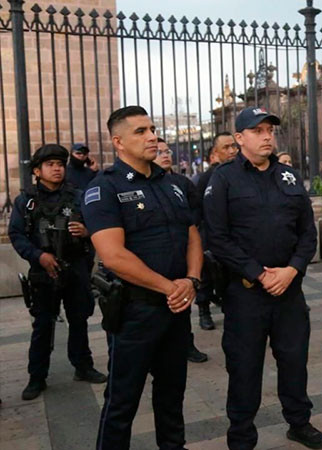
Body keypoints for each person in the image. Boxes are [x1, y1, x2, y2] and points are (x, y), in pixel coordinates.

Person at [204, 107, 322, 450]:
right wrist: (258, 273)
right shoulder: (224, 178)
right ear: (240, 138)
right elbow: (217, 237)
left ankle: (299, 423)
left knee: (294, 360)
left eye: (270, 130)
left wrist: (291, 270)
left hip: (288, 290)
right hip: (246, 294)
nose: (266, 136)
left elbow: (307, 232)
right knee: (244, 367)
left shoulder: (288, 177)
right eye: (257, 131)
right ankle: (242, 435)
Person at [86, 106, 202, 449]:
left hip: (176, 309)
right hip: (135, 313)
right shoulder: (103, 188)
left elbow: (192, 235)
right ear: (118, 142)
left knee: (171, 396)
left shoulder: (173, 185)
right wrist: (171, 288)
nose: (152, 136)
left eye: (152, 128)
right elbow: (113, 256)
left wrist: (191, 281)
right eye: (141, 131)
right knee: (122, 400)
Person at [8, 144, 107, 401]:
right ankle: (37, 377)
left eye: (60, 164)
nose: (57, 169)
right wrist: (39, 256)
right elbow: (17, 235)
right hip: (43, 271)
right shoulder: (25, 201)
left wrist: (86, 232)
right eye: (50, 165)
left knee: (79, 321)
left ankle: (83, 366)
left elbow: (98, 226)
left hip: (75, 267)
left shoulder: (78, 196)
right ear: (38, 171)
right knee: (42, 325)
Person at [154, 138, 209, 364]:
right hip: (154, 259)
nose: (166, 155)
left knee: (182, 303)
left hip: (182, 250)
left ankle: (187, 344)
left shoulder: (181, 183)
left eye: (167, 151)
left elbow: (195, 212)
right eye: (160, 152)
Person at [193, 131, 239, 330]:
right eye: (226, 148)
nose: (231, 151)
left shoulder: (242, 173)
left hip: (235, 235)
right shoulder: (207, 178)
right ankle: (204, 310)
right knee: (206, 277)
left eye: (233, 146)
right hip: (210, 235)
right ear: (215, 153)